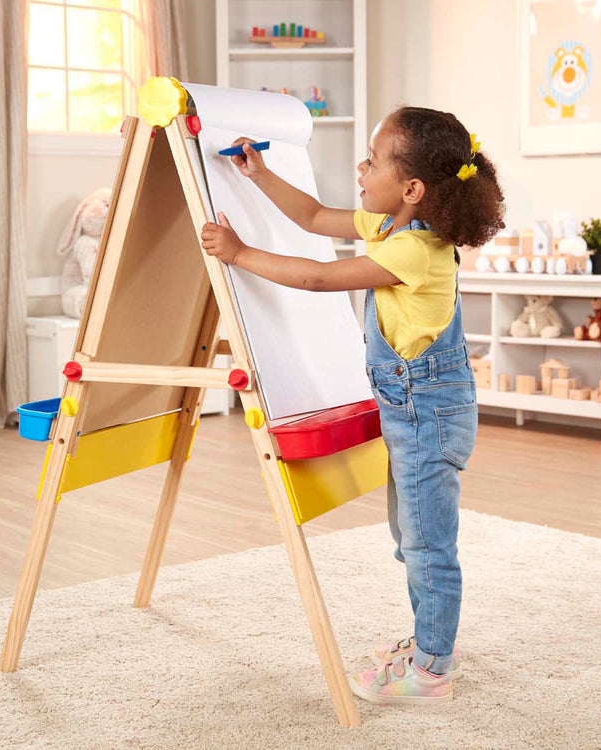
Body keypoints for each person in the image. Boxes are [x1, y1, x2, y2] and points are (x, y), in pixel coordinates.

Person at [201, 107, 505, 705]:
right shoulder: (391, 227)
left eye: (374, 159)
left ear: (412, 189)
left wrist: (238, 253)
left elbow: (317, 277)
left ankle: (432, 670)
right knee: (410, 536)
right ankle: (430, 640)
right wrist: (258, 173)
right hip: (413, 412)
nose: (360, 167)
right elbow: (314, 217)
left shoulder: (417, 251)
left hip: (429, 414)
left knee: (426, 545)